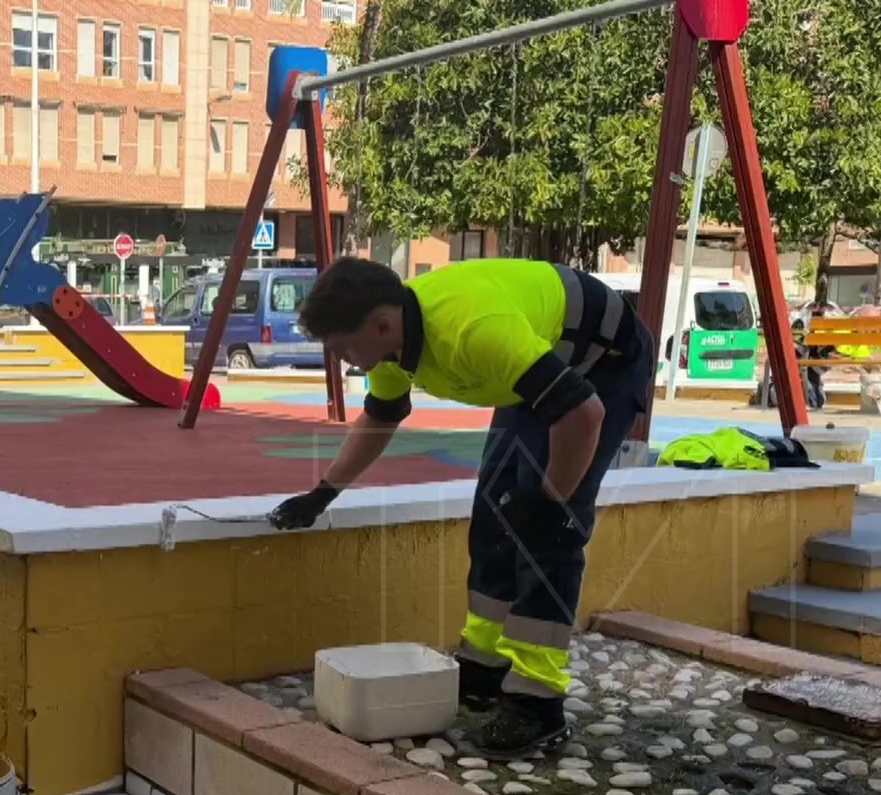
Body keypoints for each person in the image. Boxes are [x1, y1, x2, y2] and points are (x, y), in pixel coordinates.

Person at [268, 257, 653, 759]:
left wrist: (554, 502)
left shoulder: (474, 329)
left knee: (546, 531)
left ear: (380, 324)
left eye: (342, 346)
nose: (341, 358)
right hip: (540, 359)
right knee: (497, 510)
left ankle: (539, 701)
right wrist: (324, 492)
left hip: (603, 362)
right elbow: (382, 417)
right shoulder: (391, 345)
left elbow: (583, 412)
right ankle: (484, 665)